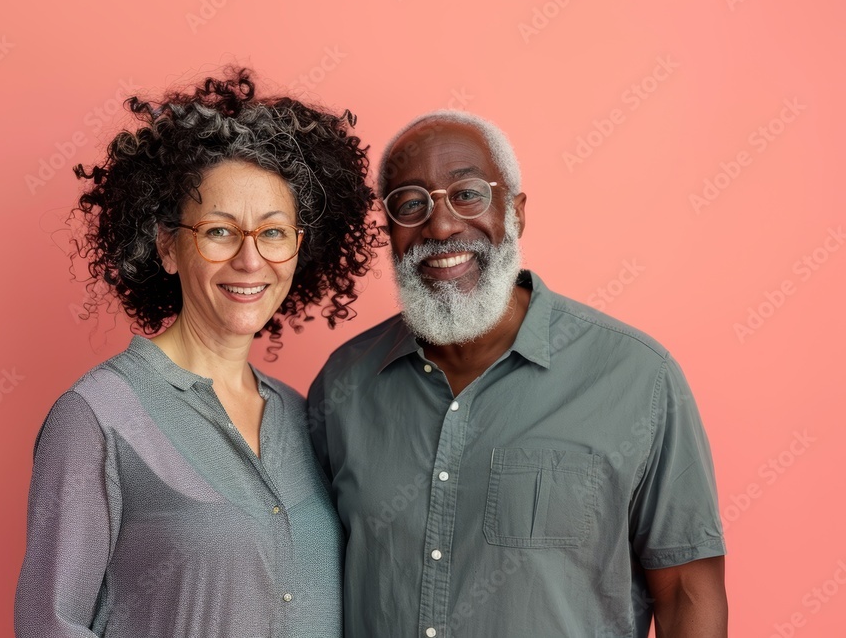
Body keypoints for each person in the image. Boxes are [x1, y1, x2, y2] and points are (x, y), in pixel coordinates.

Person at [308, 110, 727, 637]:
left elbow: (688, 591)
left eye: (468, 194)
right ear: (389, 229)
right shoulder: (344, 384)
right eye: (411, 204)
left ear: (516, 211)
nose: (440, 227)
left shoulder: (637, 377)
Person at [14, 69, 380, 637]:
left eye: (274, 232)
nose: (251, 260)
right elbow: (48, 624)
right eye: (219, 231)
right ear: (167, 246)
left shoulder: (302, 415)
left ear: (298, 249)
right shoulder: (97, 418)